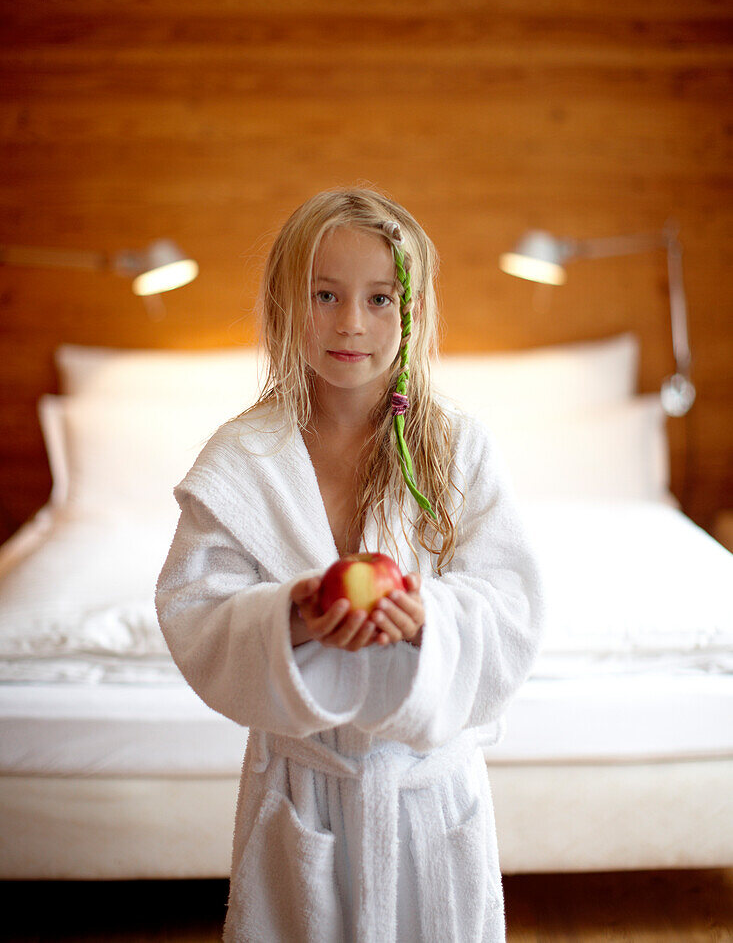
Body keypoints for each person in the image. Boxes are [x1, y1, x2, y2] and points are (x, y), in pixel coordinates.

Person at [156, 186, 545, 943]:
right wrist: (286, 617)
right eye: (324, 295)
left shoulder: (457, 449)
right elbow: (195, 606)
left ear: (415, 311)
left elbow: (510, 599)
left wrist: (432, 617)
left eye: (379, 298)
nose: (350, 324)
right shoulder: (242, 460)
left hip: (428, 796)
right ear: (281, 303)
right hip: (304, 791)